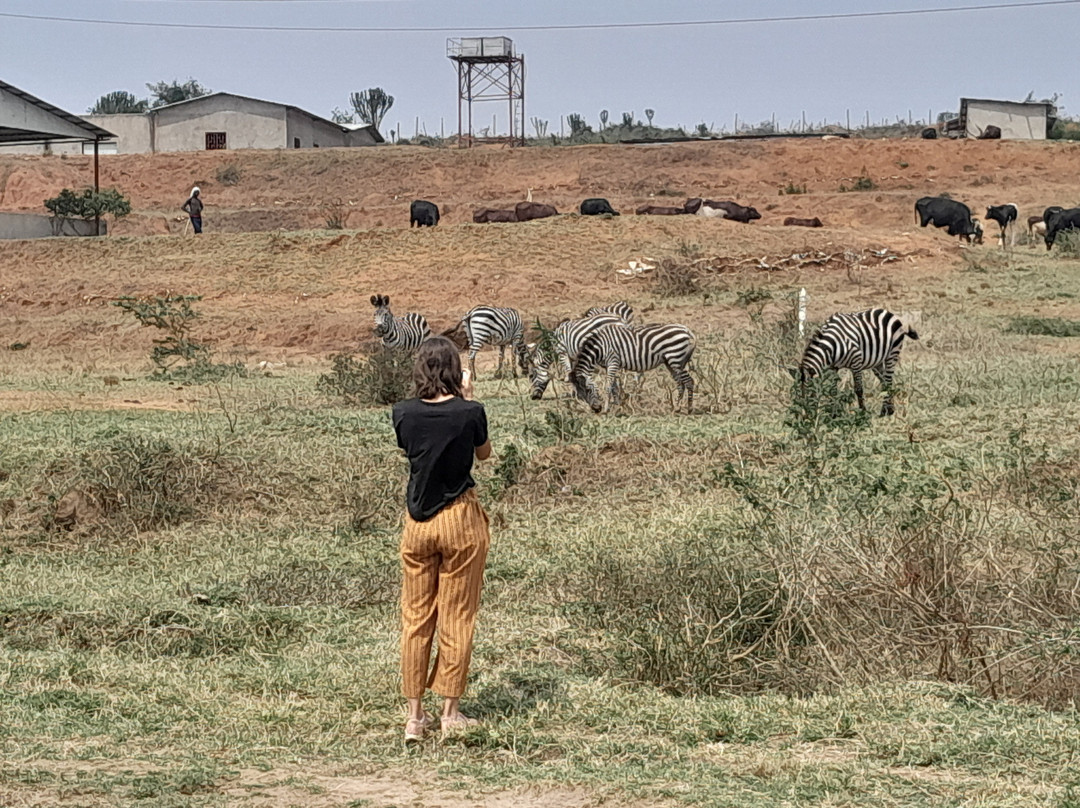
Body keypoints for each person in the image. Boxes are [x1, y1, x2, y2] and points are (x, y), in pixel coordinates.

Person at [391, 336, 492, 742]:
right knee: (457, 614)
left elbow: (413, 451)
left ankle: (415, 716)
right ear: (455, 369)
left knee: (415, 619)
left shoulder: (403, 412)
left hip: (417, 524)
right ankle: (450, 711)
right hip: (460, 521)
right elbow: (483, 455)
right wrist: (466, 397)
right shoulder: (471, 412)